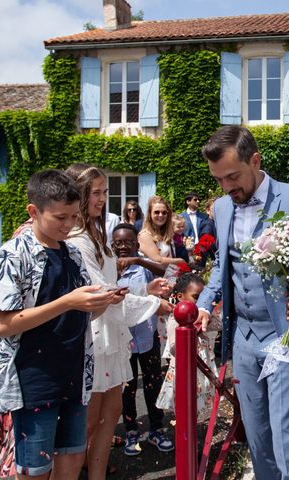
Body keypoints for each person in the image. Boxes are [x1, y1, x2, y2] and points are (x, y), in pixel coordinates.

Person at [196, 125, 289, 480]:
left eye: (233, 176)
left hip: (288, 333)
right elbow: (223, 264)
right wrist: (203, 302)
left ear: (255, 160)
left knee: (288, 438)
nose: (227, 187)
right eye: (218, 180)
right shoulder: (223, 208)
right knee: (257, 437)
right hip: (243, 337)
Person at [0, 169, 116, 480]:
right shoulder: (13, 255)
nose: (68, 225)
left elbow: (78, 314)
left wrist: (97, 304)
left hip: (74, 375)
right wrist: (68, 302)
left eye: (73, 216)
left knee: (70, 459)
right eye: (60, 218)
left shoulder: (72, 254)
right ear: (33, 211)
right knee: (35, 470)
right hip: (34, 381)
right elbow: (3, 324)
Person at [65, 164, 172, 480]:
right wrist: (154, 303)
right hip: (93, 336)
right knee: (88, 421)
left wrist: (145, 289)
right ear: (80, 195)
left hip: (111, 335)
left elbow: (114, 286)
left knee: (110, 415)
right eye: (95, 193)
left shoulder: (96, 235)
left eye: (104, 191)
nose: (102, 199)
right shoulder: (77, 239)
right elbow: (102, 292)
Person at [111, 223, 174, 456]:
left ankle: (157, 428)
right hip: (123, 340)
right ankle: (130, 430)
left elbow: (161, 270)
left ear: (137, 245)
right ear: (112, 245)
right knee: (127, 388)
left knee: (152, 383)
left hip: (147, 336)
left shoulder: (142, 268)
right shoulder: (109, 269)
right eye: (118, 243)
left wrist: (137, 260)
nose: (123, 247)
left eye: (128, 242)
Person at [156, 273, 220, 420]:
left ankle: (194, 431)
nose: (201, 301)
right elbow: (173, 348)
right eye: (196, 297)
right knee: (185, 407)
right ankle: (185, 436)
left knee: (197, 405)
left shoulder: (201, 316)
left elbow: (219, 324)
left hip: (201, 369)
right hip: (184, 372)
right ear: (180, 297)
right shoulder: (175, 319)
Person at [139, 195, 186, 267]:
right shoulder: (145, 235)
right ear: (150, 214)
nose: (161, 215)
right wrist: (180, 261)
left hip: (168, 275)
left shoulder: (167, 234)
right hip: (151, 277)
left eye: (164, 212)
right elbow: (157, 260)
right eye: (156, 212)